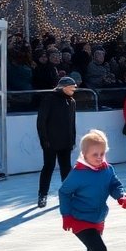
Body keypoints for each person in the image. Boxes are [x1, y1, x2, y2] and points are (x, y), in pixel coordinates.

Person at [58, 129, 126, 251]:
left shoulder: (107, 170)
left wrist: (121, 196)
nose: (99, 157)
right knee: (100, 250)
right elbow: (64, 192)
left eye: (102, 153)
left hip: (97, 219)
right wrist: (66, 215)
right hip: (79, 219)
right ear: (84, 154)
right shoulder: (78, 173)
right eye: (95, 154)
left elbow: (114, 184)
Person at [37, 76, 78, 207]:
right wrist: (44, 139)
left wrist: (72, 139)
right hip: (51, 142)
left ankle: (67, 193)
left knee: (66, 167)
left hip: (66, 141)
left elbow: (72, 123)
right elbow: (41, 121)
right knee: (48, 167)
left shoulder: (71, 101)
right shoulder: (49, 99)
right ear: (63, 87)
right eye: (71, 87)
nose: (73, 89)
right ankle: (42, 195)